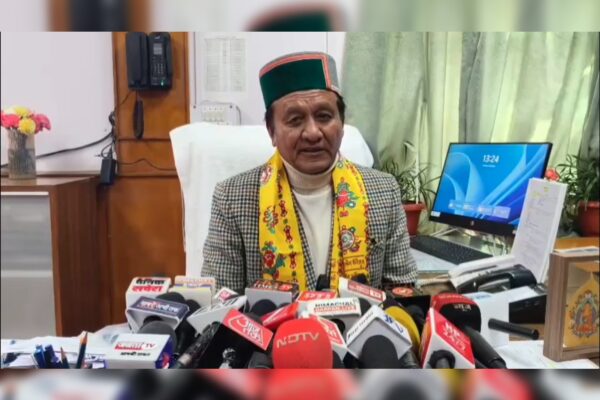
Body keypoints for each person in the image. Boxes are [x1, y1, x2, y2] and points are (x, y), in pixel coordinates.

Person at [203, 51, 417, 292]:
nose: (313, 133)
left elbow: (402, 290)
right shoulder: (232, 199)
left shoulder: (383, 191)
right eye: (295, 120)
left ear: (342, 124)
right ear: (272, 131)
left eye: (324, 117)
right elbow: (221, 301)